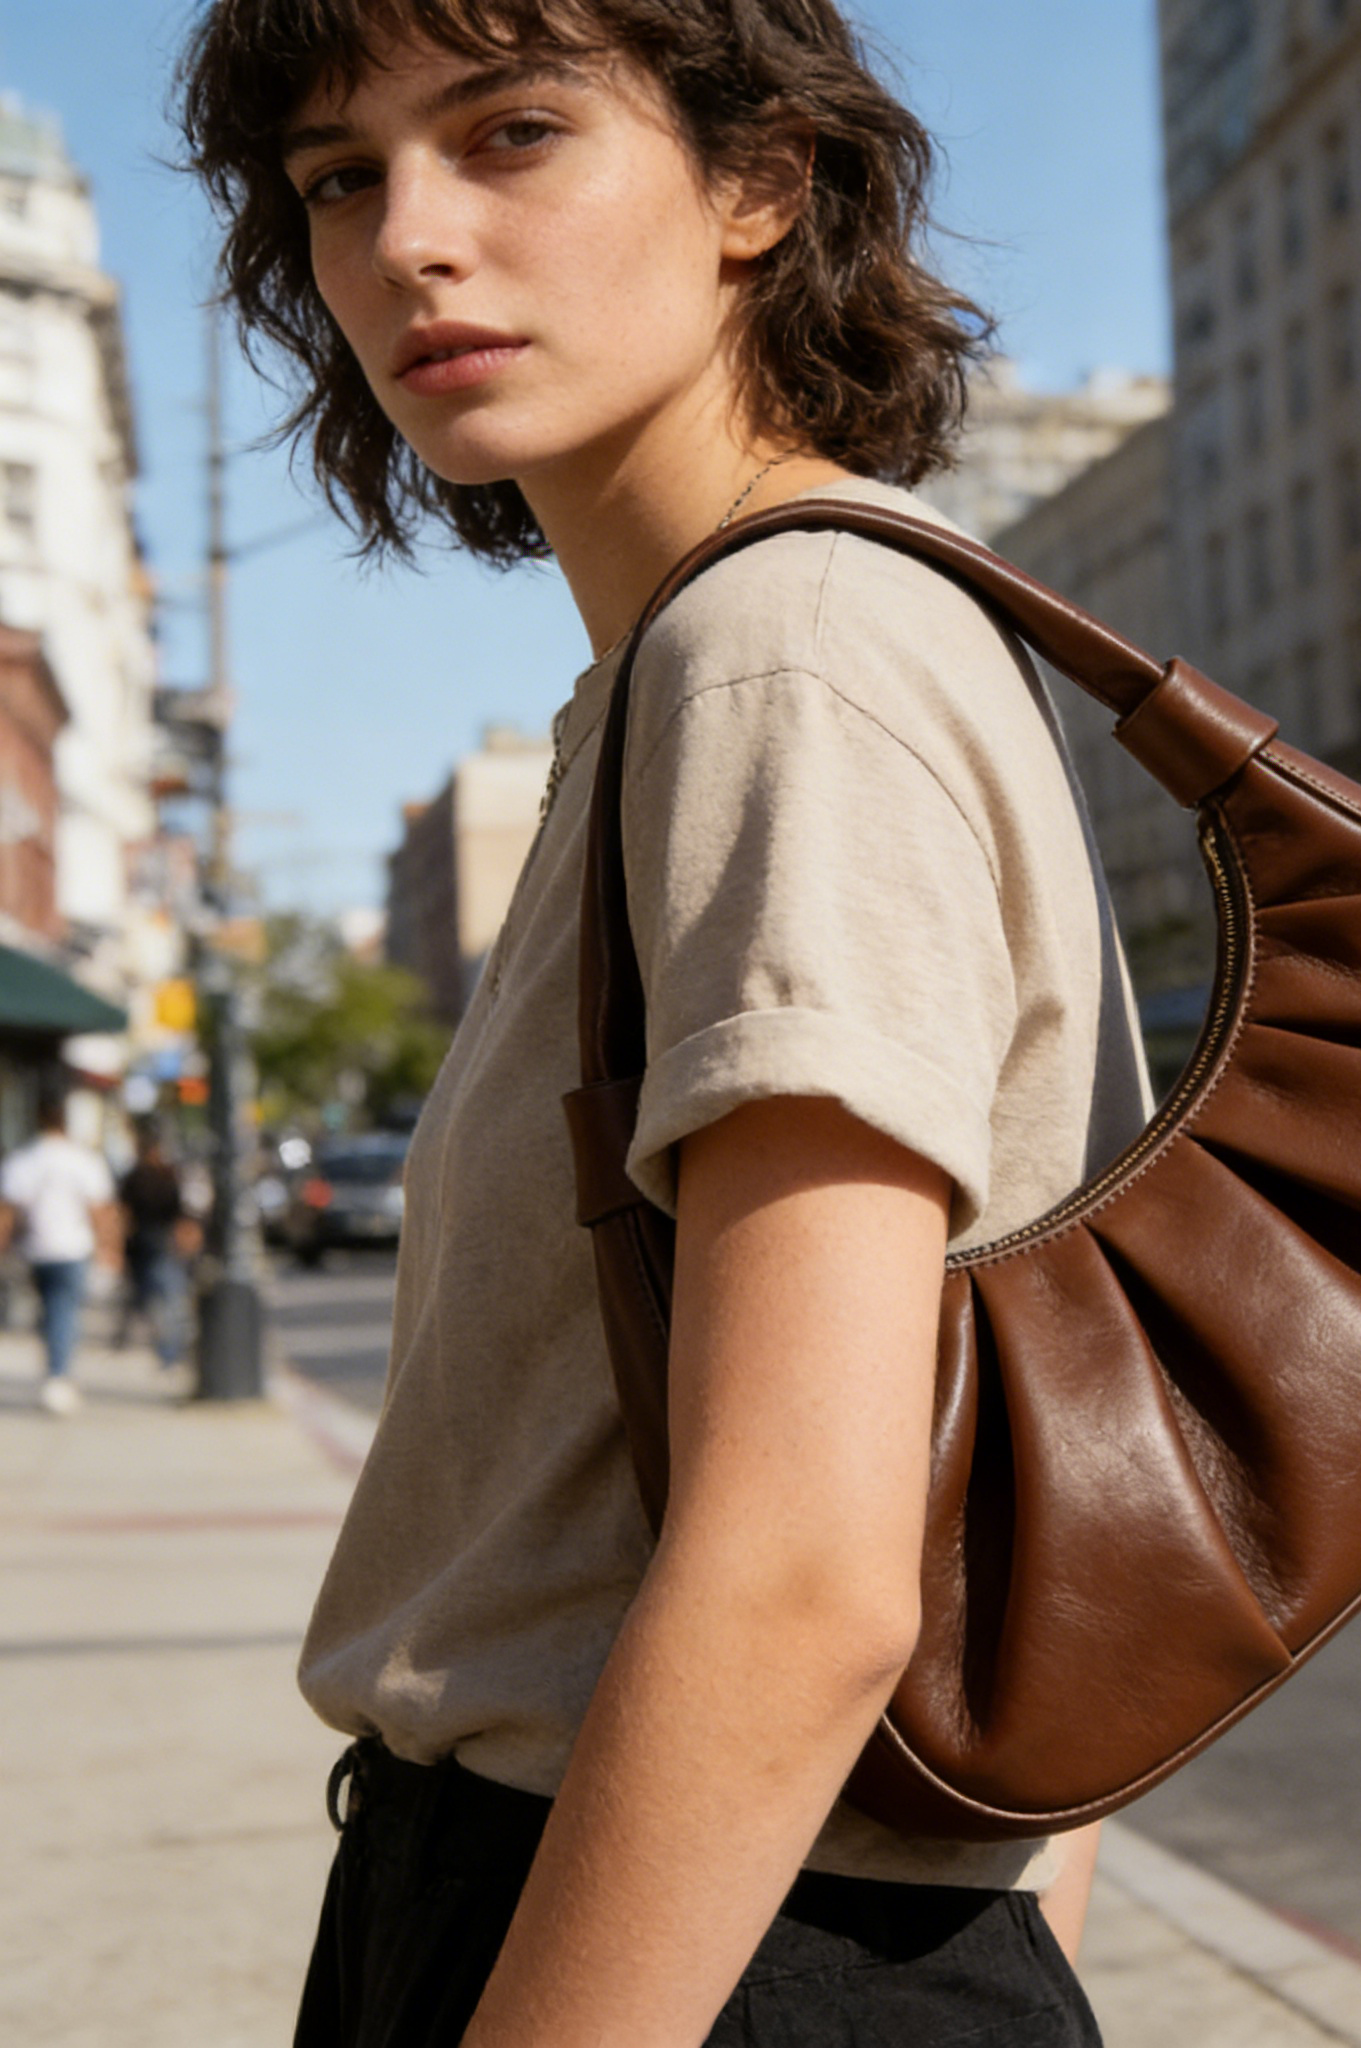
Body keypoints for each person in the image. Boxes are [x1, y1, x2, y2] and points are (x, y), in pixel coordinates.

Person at [181, 3, 1147, 2042]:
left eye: (511, 131)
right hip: (723, 1912)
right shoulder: (718, 660)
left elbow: (805, 1574)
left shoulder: (780, 651)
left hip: (672, 1934)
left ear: (754, 184)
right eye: (340, 178)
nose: (408, 241)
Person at [0, 1088, 118, 1415]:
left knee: (51, 1311)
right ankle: (58, 1376)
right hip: (72, 1248)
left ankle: (56, 1373)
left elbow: (7, 1213)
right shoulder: (82, 1160)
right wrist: (109, 1249)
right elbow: (101, 1211)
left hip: (38, 1249)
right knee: (63, 1312)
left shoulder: (25, 1159)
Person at [116, 1122, 197, 1369]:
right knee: (166, 1298)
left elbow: (124, 1214)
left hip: (145, 1243)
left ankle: (161, 1349)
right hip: (157, 1243)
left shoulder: (138, 1176)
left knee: (150, 1298)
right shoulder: (164, 1175)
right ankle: (167, 1351)